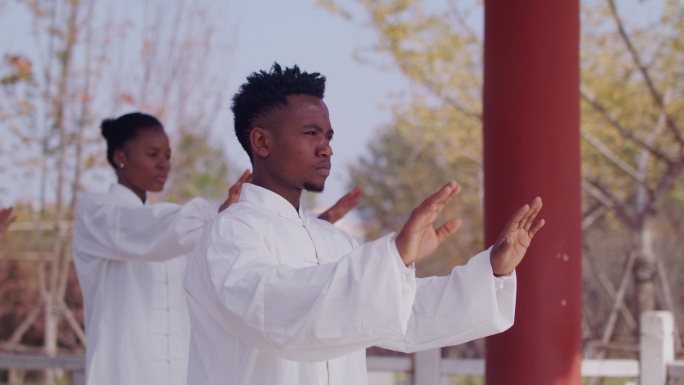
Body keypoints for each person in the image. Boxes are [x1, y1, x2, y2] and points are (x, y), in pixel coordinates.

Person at [183, 63, 545, 385]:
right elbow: (275, 312)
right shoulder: (229, 234)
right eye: (311, 134)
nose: (326, 148)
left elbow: (406, 315)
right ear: (261, 141)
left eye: (328, 136)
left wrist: (492, 273)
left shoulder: (334, 241)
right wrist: (392, 257)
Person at [72, 112, 360, 385]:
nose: (164, 163)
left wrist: (313, 227)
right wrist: (216, 213)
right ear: (120, 157)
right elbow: (140, 230)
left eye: (168, 156)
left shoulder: (177, 228)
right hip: (123, 372)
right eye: (153, 155)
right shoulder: (95, 212)